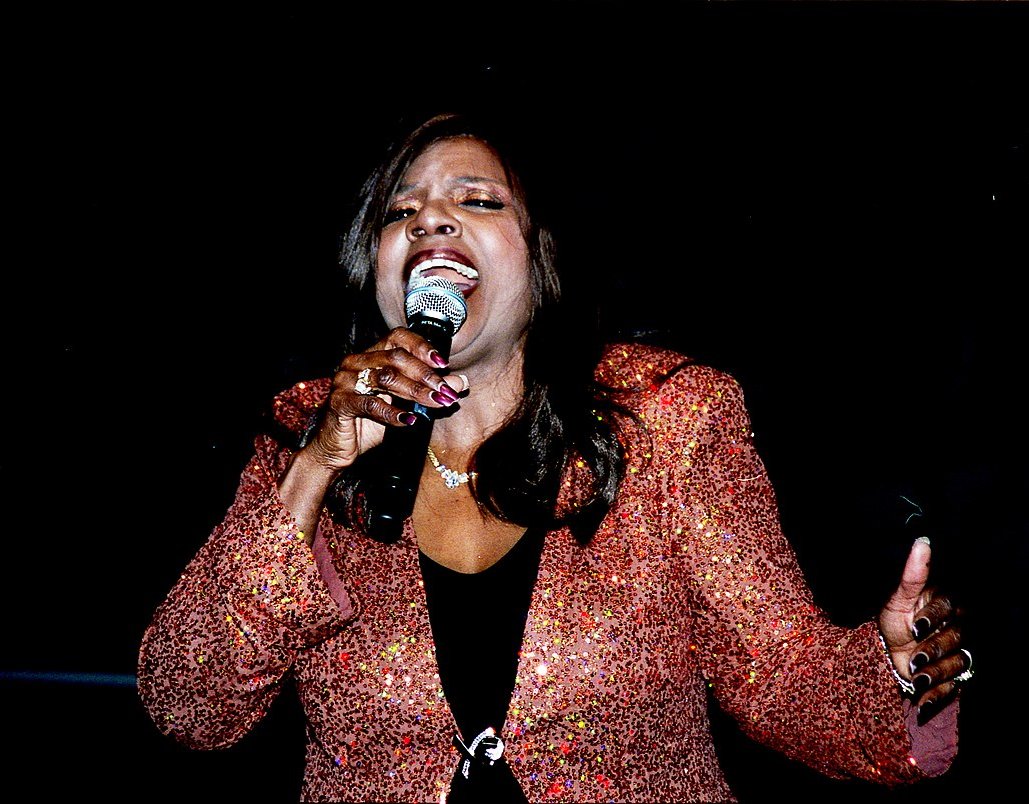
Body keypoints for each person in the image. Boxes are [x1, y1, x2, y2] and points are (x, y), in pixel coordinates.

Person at [137, 110, 972, 803]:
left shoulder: (665, 419)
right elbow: (189, 704)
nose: (429, 221)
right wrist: (316, 468)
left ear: (539, 261)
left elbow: (779, 674)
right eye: (400, 213)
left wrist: (892, 672)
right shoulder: (302, 437)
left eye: (476, 200)